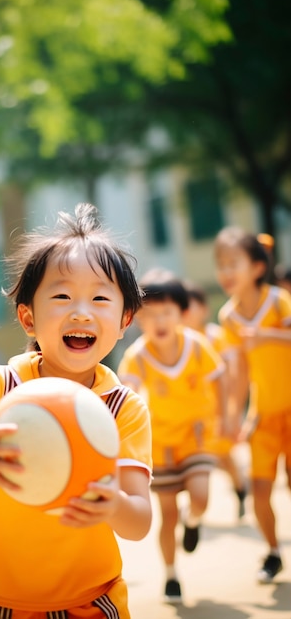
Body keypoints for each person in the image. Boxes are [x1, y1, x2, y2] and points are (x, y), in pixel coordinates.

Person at [0, 203, 152, 619]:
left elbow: (139, 522)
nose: (81, 311)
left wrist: (114, 505)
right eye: (63, 295)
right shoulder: (0, 385)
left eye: (100, 298)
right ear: (28, 319)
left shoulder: (123, 408)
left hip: (86, 601)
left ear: (124, 321)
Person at [117, 268, 227, 604]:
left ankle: (194, 522)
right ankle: (171, 575)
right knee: (167, 515)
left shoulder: (196, 345)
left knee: (200, 496)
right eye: (150, 314)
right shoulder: (137, 356)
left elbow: (219, 378)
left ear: (182, 313)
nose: (159, 320)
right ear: (137, 320)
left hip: (196, 435)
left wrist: (224, 417)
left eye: (167, 312)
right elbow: (125, 393)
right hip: (160, 444)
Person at [214, 226, 291, 584]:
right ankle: (274, 552)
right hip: (264, 414)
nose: (226, 273)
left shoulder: (278, 301)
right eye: (221, 265)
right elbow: (239, 372)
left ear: (257, 267)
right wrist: (233, 417)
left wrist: (267, 335)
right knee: (261, 488)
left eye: (234, 264)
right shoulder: (228, 317)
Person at [182, 281, 247, 518]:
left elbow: (230, 374)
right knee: (192, 456)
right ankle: (193, 508)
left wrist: (231, 410)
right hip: (194, 413)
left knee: (224, 456)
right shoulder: (179, 340)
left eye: (192, 305)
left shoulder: (215, 336)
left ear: (203, 309)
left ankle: (240, 488)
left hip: (218, 408)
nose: (187, 312)